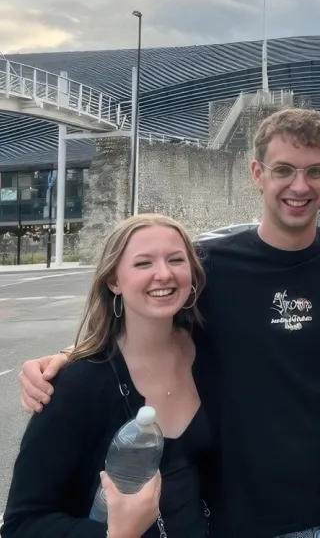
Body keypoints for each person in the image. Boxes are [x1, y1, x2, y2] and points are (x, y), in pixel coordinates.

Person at [17, 109, 320, 538]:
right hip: (239, 524)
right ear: (257, 173)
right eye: (283, 170)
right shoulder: (207, 268)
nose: (299, 185)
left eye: (313, 171)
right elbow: (147, 317)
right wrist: (70, 360)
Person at [3, 214, 212, 538]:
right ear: (114, 280)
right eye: (143, 263)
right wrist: (117, 534)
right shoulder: (78, 384)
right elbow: (22, 523)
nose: (164, 273)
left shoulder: (210, 351)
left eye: (176, 259)